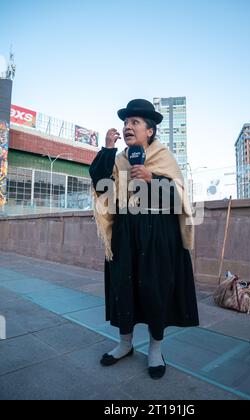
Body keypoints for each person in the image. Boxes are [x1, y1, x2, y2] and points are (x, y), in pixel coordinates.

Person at [89, 99, 199, 380]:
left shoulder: (163, 156)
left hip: (159, 232)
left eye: (134, 122)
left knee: (155, 288)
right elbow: (100, 182)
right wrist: (108, 149)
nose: (127, 127)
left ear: (149, 131)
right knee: (122, 286)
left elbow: (180, 198)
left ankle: (155, 350)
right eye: (126, 123)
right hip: (126, 231)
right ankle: (125, 345)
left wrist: (153, 179)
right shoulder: (120, 159)